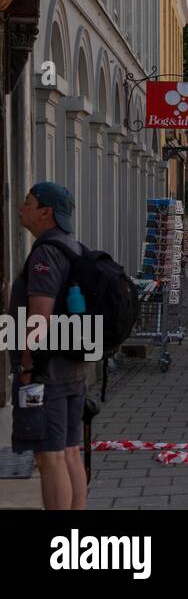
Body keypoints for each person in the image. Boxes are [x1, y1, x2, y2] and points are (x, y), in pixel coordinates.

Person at [7, 183, 92, 510]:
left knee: (49, 457)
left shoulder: (45, 253)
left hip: (47, 371)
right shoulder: (74, 246)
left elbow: (38, 317)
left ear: (46, 212)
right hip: (72, 366)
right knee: (70, 451)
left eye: (27, 202)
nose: (20, 207)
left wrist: (27, 369)